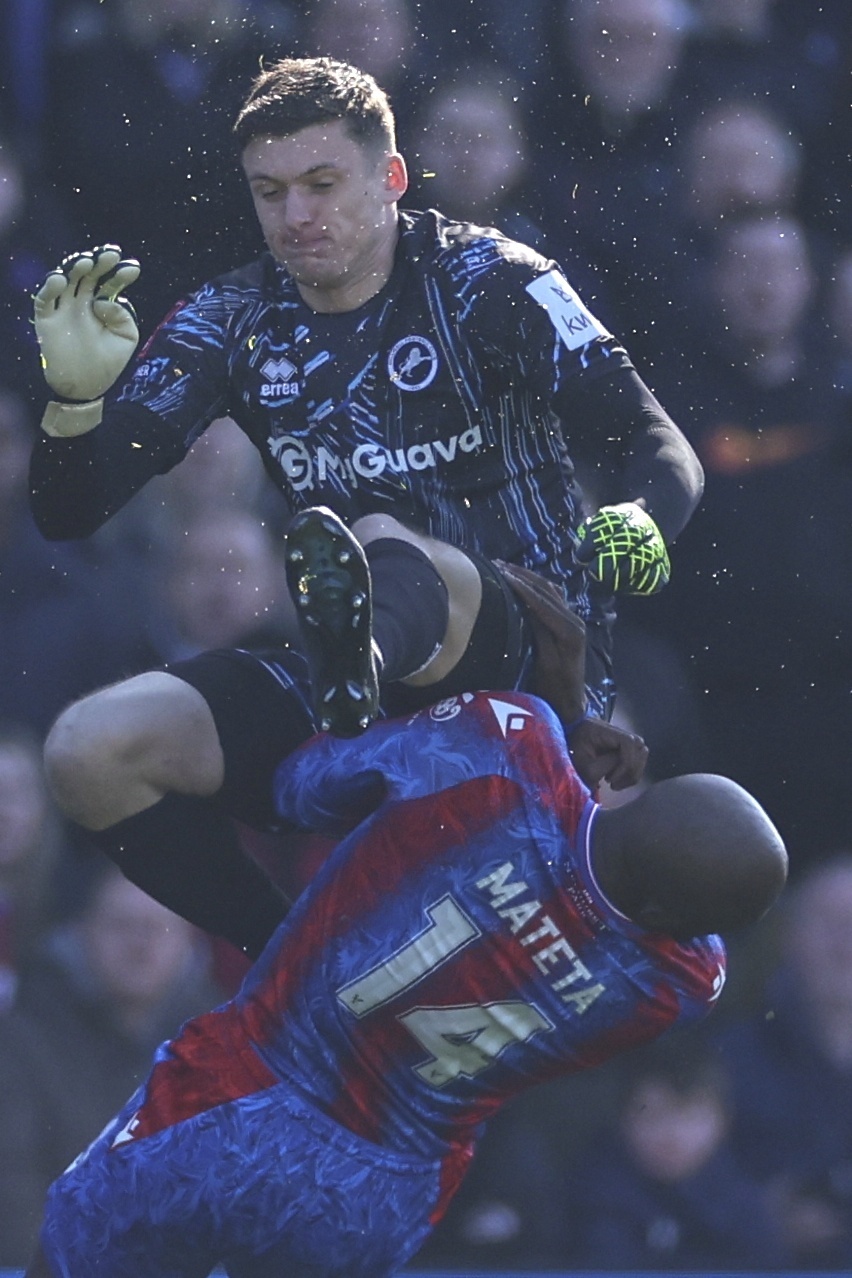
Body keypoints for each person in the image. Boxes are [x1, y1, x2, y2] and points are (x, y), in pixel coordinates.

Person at [29, 56, 703, 962]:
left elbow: (652, 439)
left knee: (380, 535)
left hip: (529, 675)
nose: (295, 215)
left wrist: (648, 519)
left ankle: (363, 661)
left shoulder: (491, 277)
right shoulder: (230, 322)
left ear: (390, 178)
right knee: (85, 749)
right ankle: (294, 957)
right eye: (269, 192)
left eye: (320, 184)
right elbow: (68, 512)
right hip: (345, 683)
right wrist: (72, 406)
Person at [24, 565, 787, 1278]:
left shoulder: (504, 747)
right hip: (381, 1192)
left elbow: (304, 787)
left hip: (244, 1094)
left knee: (72, 1254)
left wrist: (558, 715)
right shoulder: (672, 983)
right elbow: (676, 912)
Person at [0, 858, 222, 1270]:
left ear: (189, 940)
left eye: (159, 927)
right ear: (84, 931)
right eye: (122, 925)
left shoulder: (223, 1042)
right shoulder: (26, 1038)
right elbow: (12, 1190)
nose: (141, 945)